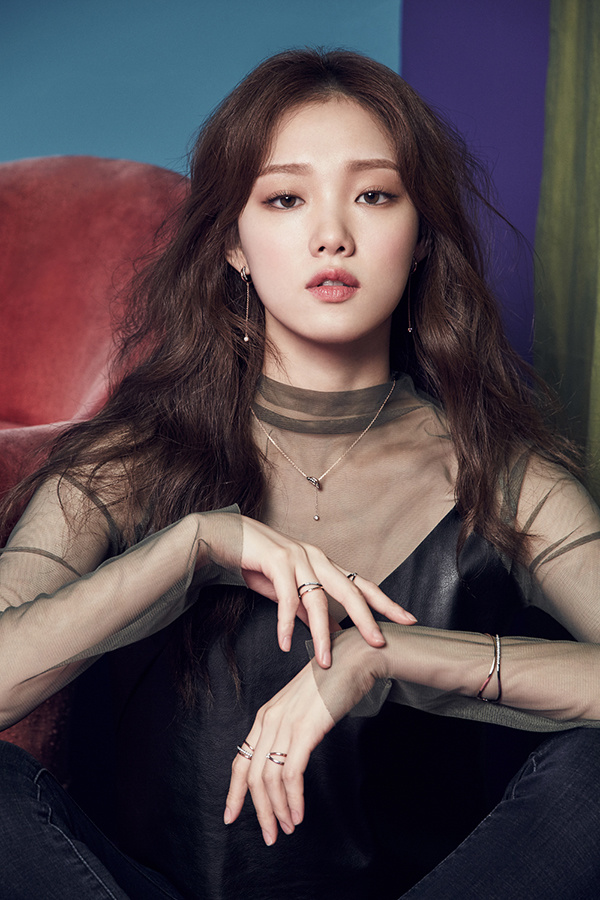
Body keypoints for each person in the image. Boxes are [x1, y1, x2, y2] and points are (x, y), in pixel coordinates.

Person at [0, 48, 599, 900]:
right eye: (286, 198)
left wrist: (387, 657)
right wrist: (191, 548)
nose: (332, 234)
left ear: (421, 238)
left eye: (374, 195)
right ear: (233, 245)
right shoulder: (127, 460)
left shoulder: (504, 476)